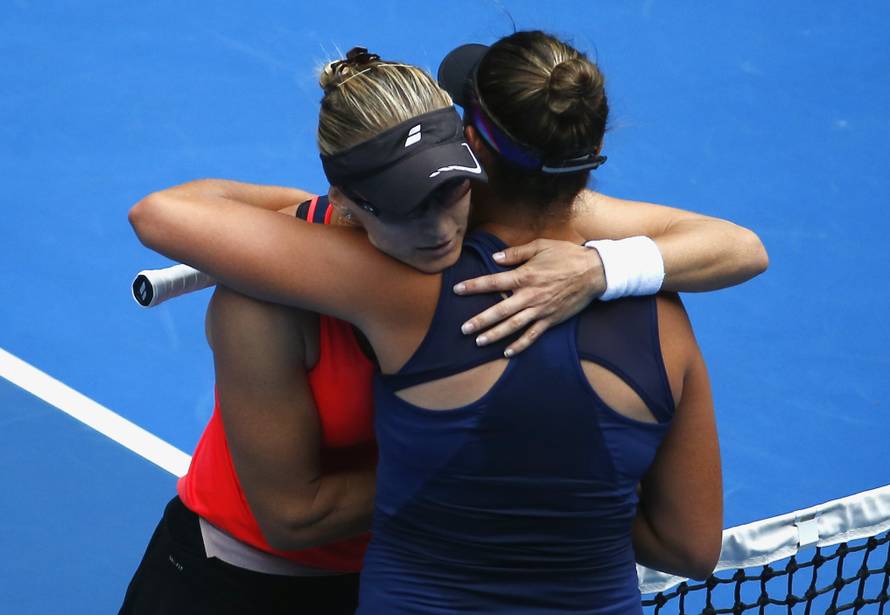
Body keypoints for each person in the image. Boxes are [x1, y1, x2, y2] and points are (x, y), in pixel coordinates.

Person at [128, 35, 760, 613]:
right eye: (404, 207)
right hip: (246, 585)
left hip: (399, 571)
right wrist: (520, 477)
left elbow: (741, 247)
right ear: (348, 200)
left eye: (448, 192)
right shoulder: (273, 294)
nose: (436, 229)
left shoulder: (492, 214)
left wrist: (600, 268)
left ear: (470, 158)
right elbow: (294, 516)